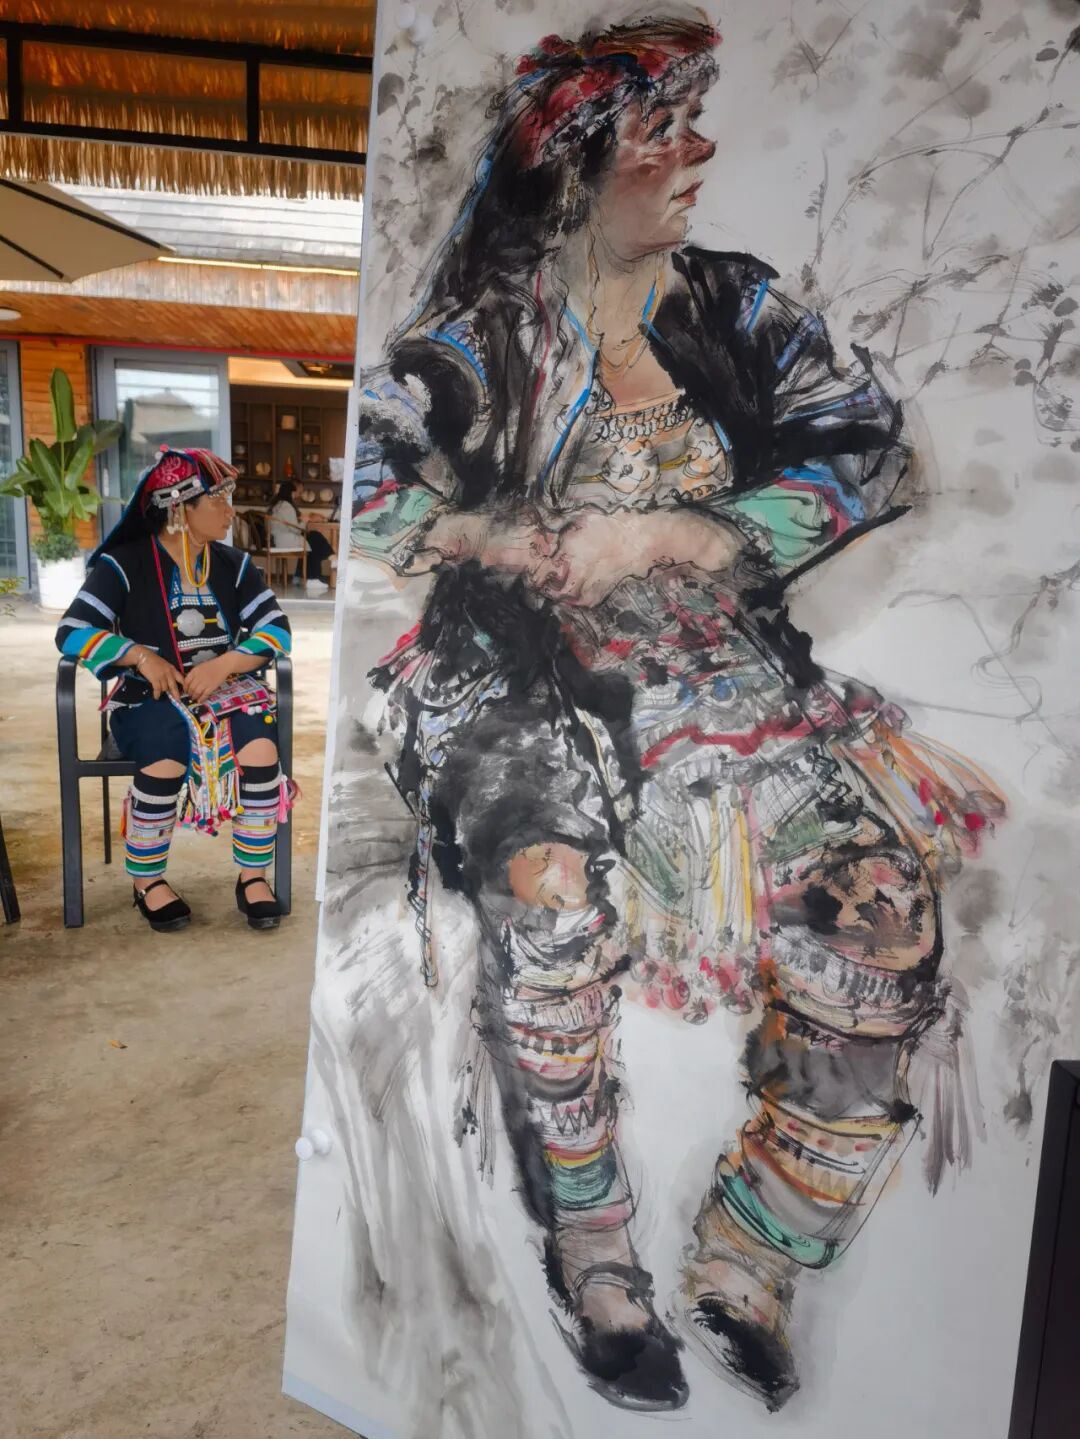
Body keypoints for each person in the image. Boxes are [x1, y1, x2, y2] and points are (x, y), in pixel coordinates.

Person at [350, 17, 1005, 1414]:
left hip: (724, 681)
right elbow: (372, 485)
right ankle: (595, 1256)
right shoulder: (476, 338)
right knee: (548, 897)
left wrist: (689, 534)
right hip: (523, 685)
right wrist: (490, 533)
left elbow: (866, 445)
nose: (701, 151)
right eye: (666, 133)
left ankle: (752, 1258)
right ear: (581, 170)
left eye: (695, 124)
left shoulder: (735, 307)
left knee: (880, 913)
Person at [56, 447, 295, 933]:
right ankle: (147, 880)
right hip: (148, 699)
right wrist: (140, 656)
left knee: (260, 746)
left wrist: (227, 663)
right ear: (180, 509)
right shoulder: (124, 565)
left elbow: (276, 630)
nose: (230, 511)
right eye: (218, 500)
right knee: (165, 751)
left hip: (226, 696)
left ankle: (252, 876)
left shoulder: (234, 565)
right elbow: (73, 631)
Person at [269, 479, 331, 593]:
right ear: (291, 492)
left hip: (280, 539)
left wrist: (301, 520)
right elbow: (296, 530)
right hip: (286, 541)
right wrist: (305, 520)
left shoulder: (279, 505)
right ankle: (315, 575)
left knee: (313, 538)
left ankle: (301, 576)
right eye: (295, 493)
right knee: (315, 538)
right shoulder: (286, 506)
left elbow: (290, 525)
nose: (296, 496)